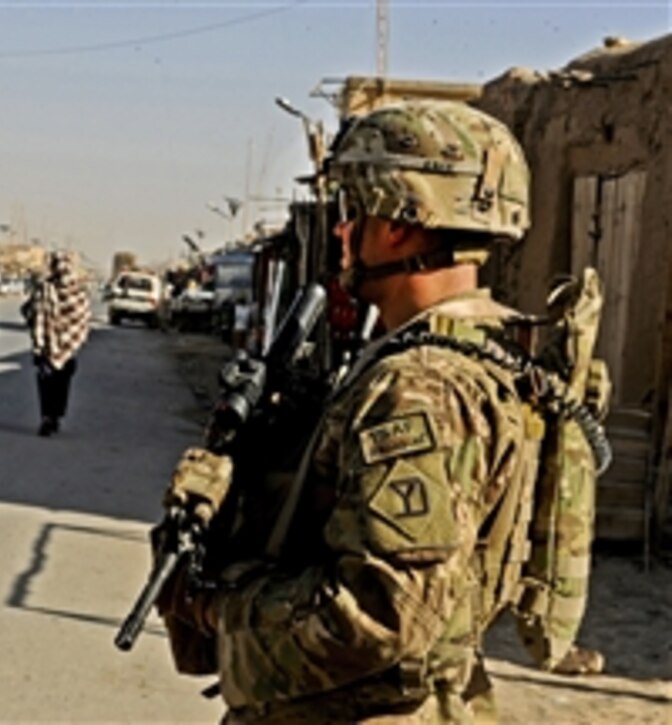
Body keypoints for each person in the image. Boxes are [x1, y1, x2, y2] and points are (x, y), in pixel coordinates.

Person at [156, 101, 603, 723]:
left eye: (352, 214)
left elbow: (381, 611)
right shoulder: (491, 356)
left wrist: (215, 606)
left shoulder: (419, 387)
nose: (340, 233)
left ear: (400, 222)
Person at [27, 251, 90, 436]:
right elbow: (84, 320)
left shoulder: (46, 288)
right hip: (65, 349)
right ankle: (52, 416)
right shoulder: (77, 291)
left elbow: (33, 313)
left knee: (48, 383)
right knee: (59, 384)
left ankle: (48, 416)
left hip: (47, 346)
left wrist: (39, 340)